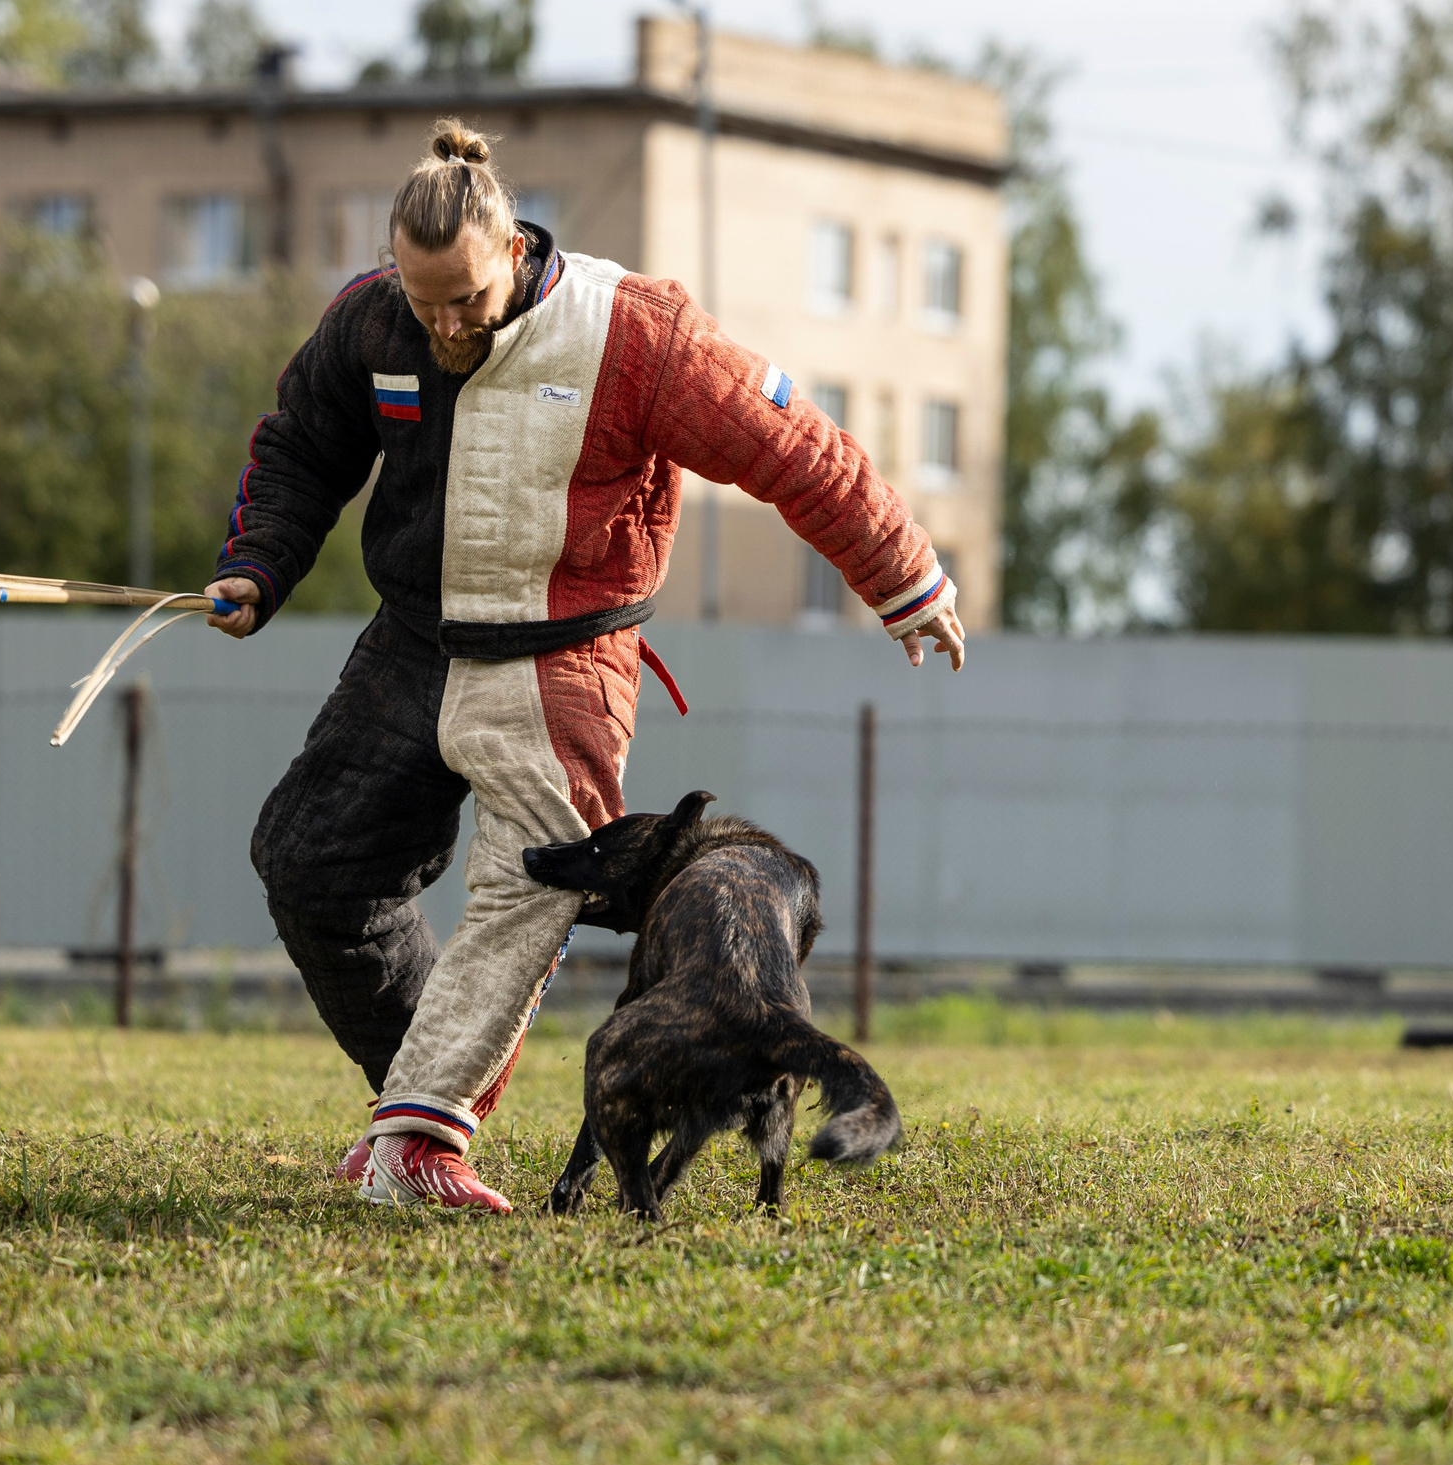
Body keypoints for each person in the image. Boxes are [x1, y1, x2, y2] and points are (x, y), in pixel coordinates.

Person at [201, 118, 967, 1214]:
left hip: (564, 660)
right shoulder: (373, 321)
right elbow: (300, 446)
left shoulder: (635, 334)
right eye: (426, 306)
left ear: (512, 249)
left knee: (523, 888)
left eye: (466, 300)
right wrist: (258, 567)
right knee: (307, 862)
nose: (446, 325)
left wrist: (905, 578)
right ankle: (411, 1107)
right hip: (412, 643)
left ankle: (419, 1138)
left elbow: (790, 443)